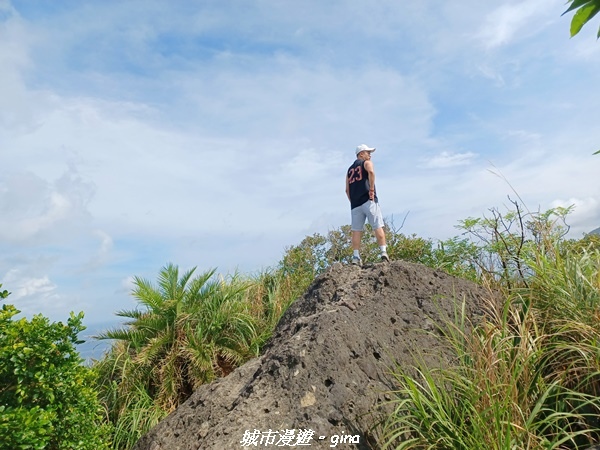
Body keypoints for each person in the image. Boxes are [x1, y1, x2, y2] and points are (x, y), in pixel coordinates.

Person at [345, 144, 389, 266]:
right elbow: (370, 171)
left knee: (356, 230)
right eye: (367, 152)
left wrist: (353, 201)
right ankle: (383, 252)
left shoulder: (349, 170)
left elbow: (346, 190)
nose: (370, 155)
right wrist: (371, 189)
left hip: (355, 204)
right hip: (368, 200)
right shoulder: (366, 163)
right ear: (361, 154)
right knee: (377, 225)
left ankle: (355, 256)